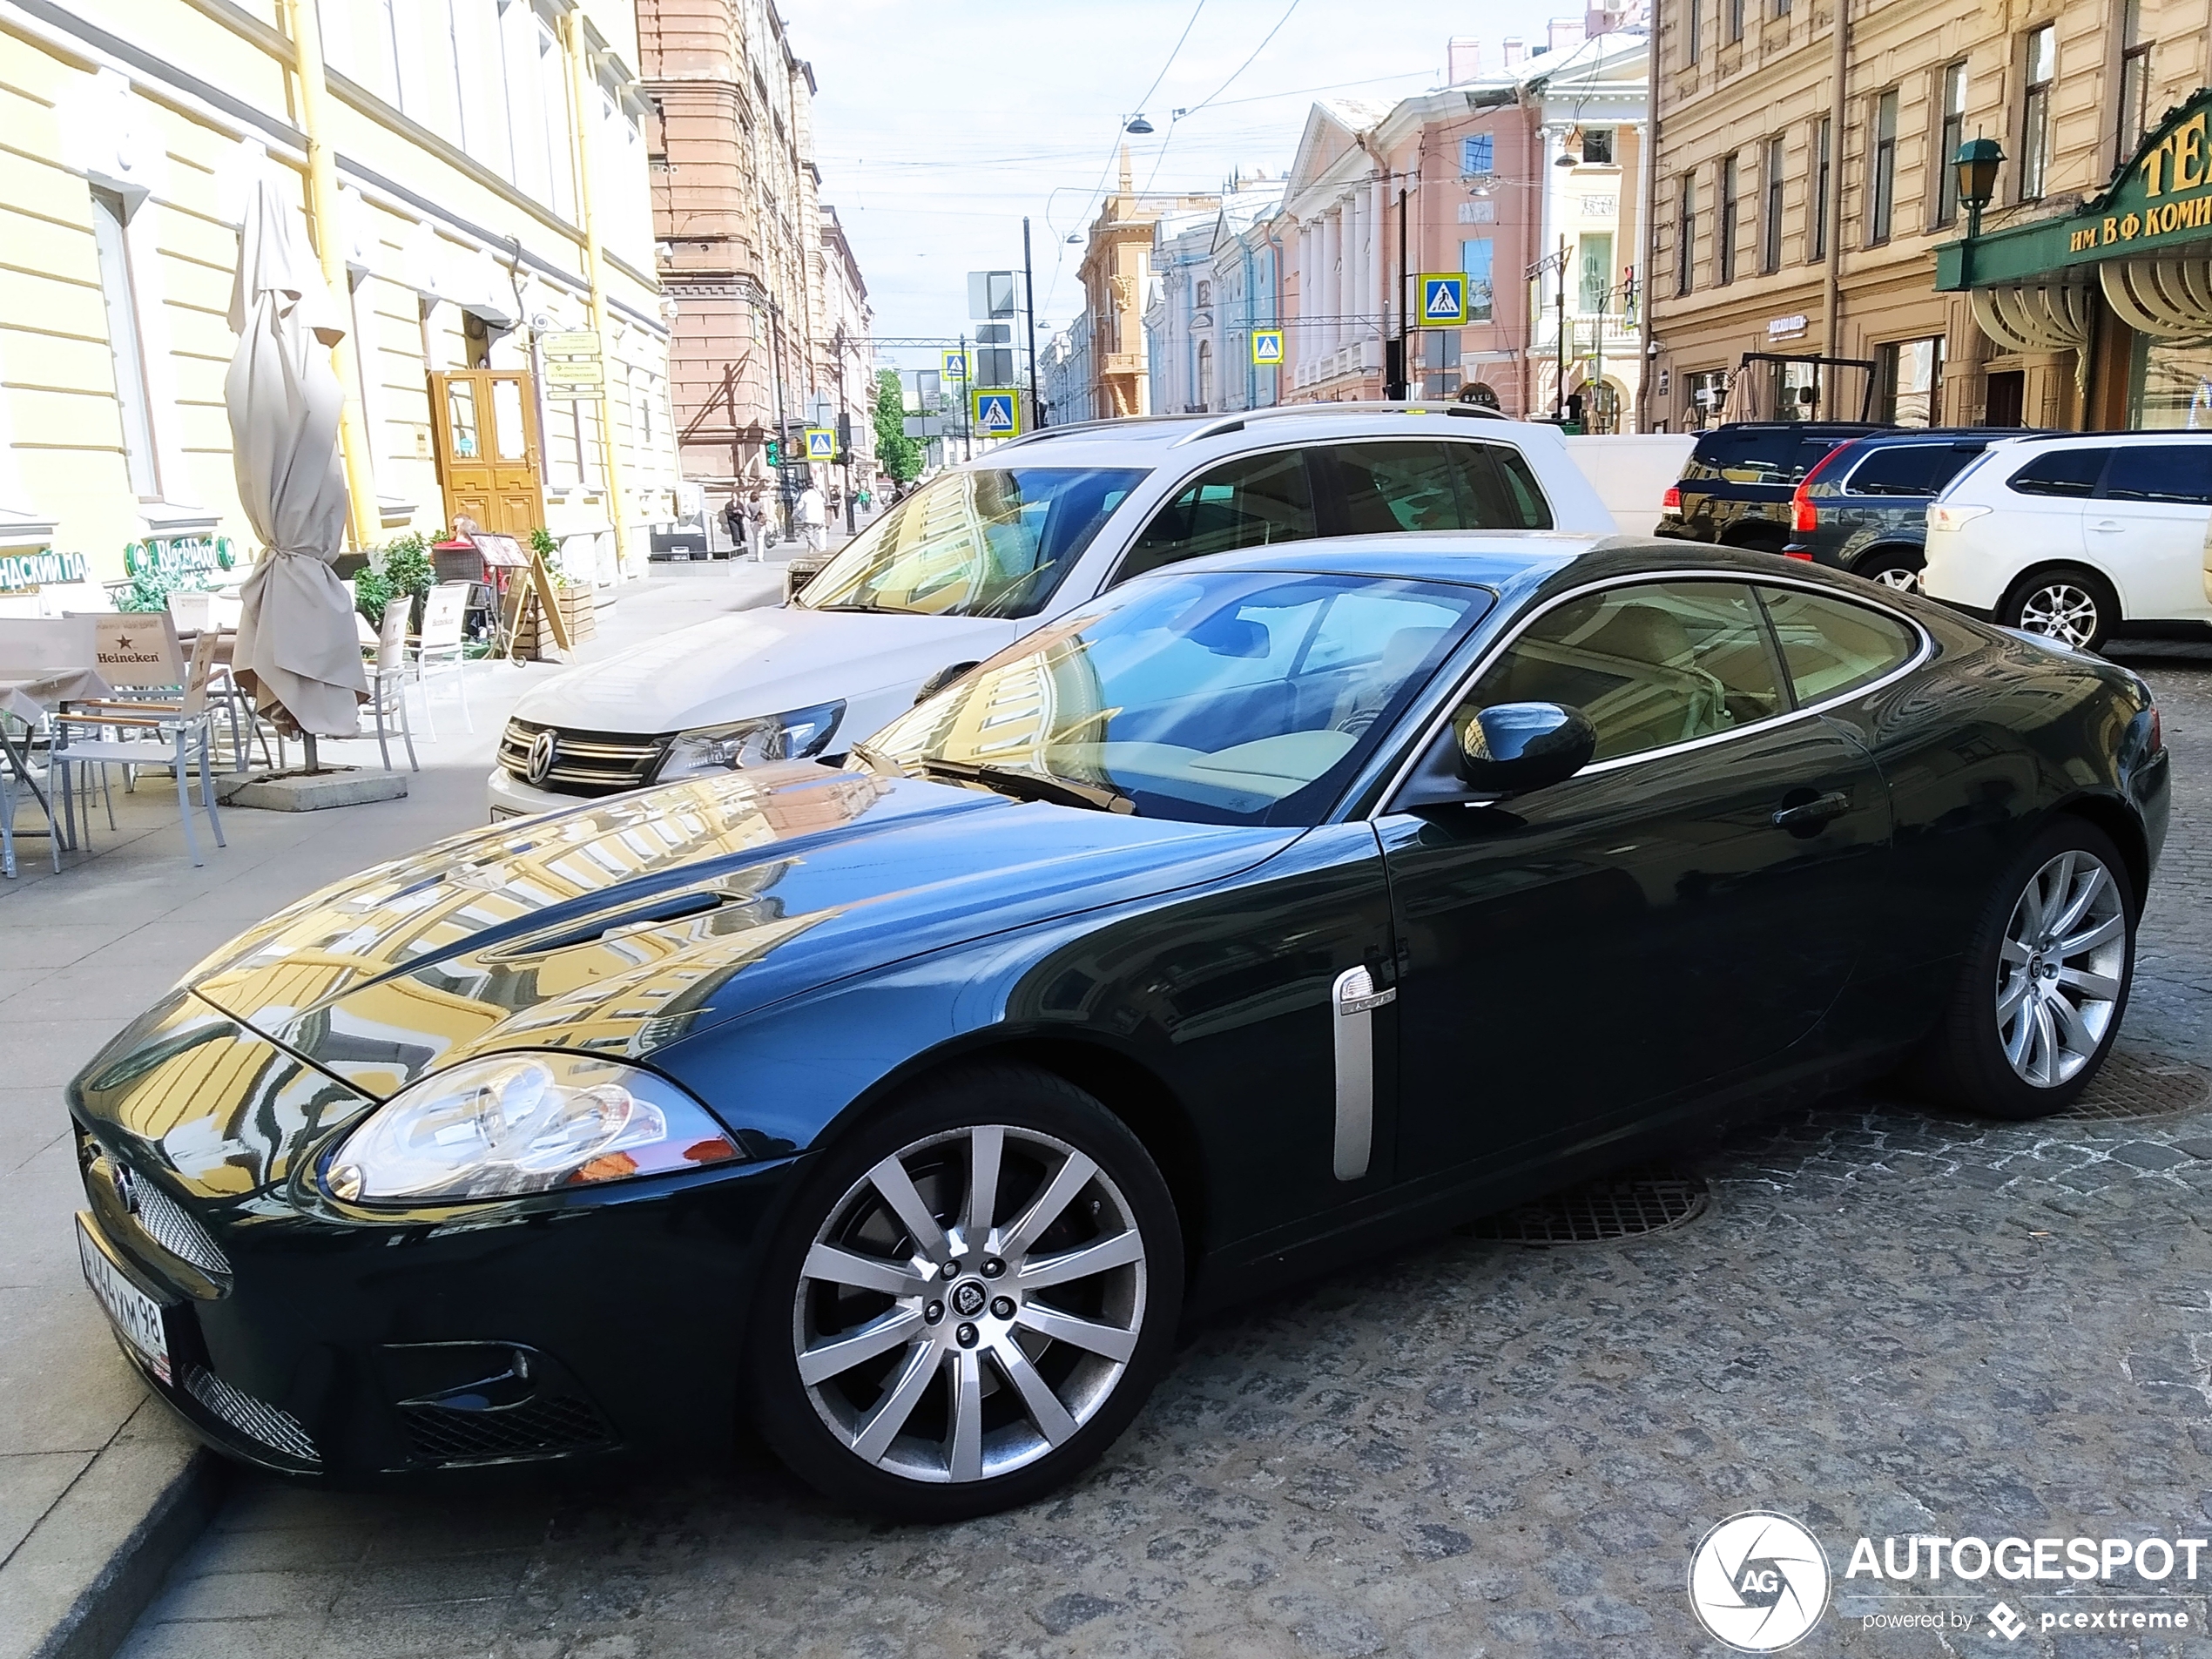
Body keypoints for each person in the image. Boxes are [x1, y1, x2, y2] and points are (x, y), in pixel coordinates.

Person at [794, 479, 827, 554]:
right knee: (814, 536)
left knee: (809, 537)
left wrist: (794, 514)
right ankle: (810, 553)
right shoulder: (818, 495)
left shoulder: (805, 495)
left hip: (808, 519)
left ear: (806, 486)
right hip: (819, 519)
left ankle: (818, 549)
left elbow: (800, 506)